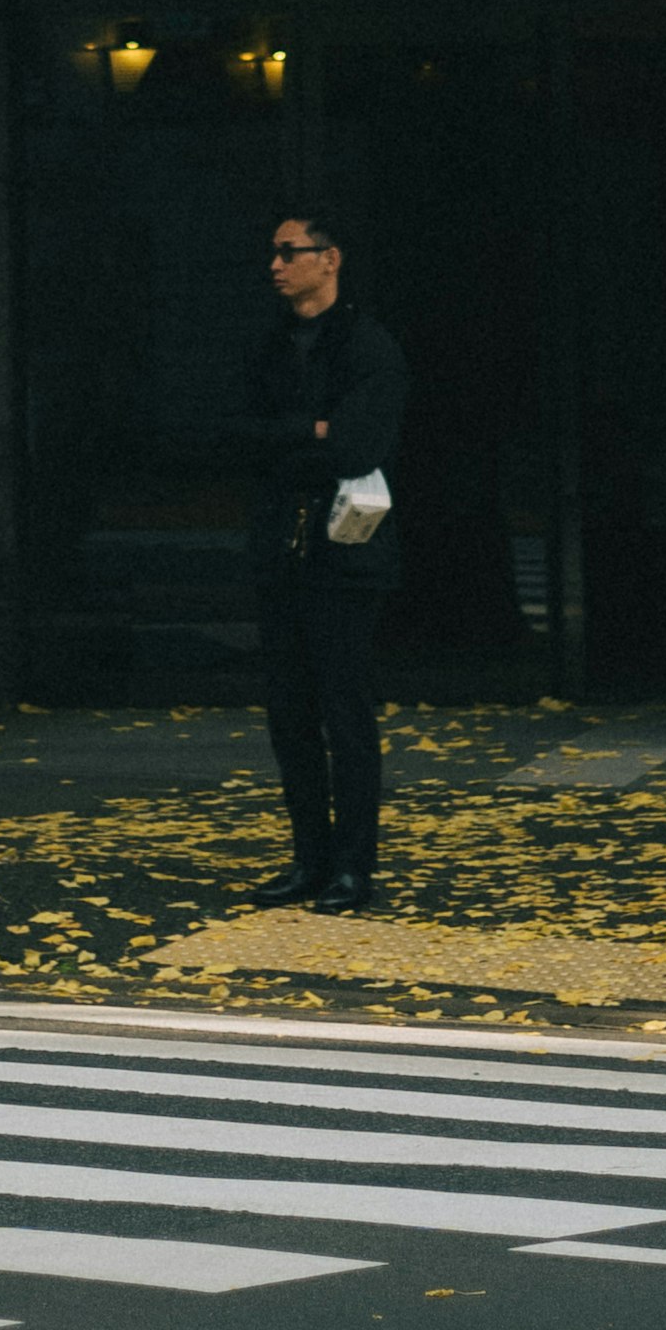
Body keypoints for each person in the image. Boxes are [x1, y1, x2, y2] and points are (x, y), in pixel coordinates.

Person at [239, 211, 408, 914]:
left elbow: (358, 447)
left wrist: (307, 436)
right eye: (273, 252)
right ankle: (309, 857)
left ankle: (353, 866)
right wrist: (311, 427)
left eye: (289, 252)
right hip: (281, 548)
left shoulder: (367, 346)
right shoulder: (271, 345)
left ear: (328, 259)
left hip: (346, 553)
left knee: (346, 714)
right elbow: (239, 437)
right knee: (289, 715)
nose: (276, 265)